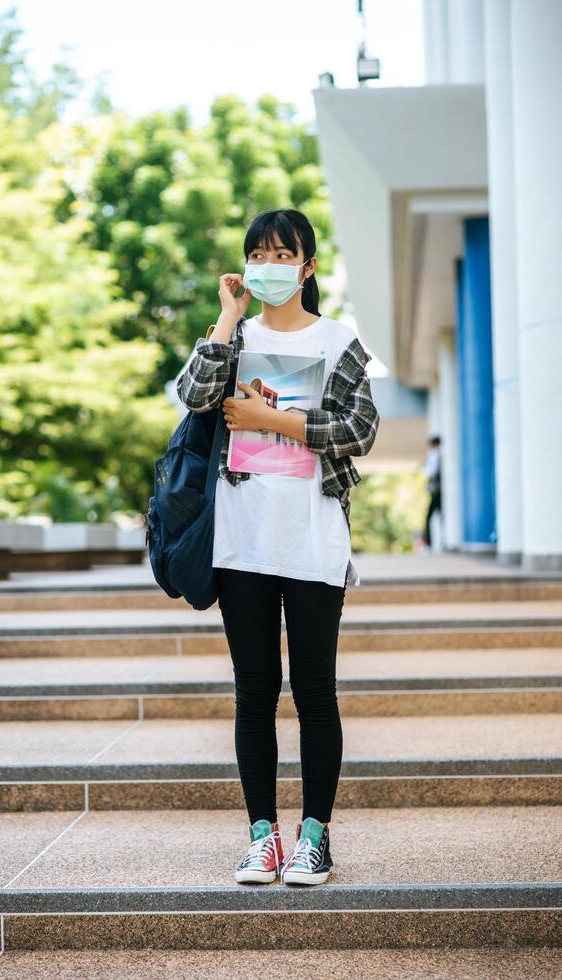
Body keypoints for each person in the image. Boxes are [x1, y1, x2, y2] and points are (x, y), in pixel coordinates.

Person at [176, 208, 379, 886]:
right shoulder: (233, 338)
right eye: (258, 253)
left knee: (315, 690)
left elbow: (360, 430)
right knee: (254, 691)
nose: (269, 264)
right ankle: (261, 836)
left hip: (314, 535)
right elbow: (193, 395)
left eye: (282, 253)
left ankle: (314, 838)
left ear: (308, 265)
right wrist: (228, 318)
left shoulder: (338, 340)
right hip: (242, 539)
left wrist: (274, 419)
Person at [422, 435, 442, 549]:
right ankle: (441, 542)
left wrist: (423, 466)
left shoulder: (434, 454)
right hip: (441, 490)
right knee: (441, 516)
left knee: (429, 517)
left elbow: (430, 471)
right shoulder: (442, 453)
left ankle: (429, 544)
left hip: (437, 491)